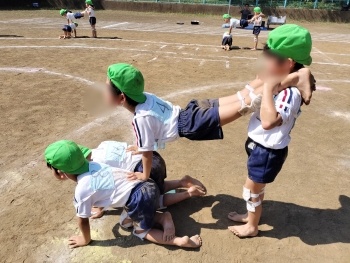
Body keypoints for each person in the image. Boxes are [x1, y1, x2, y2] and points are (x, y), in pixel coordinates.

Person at [103, 63, 314, 184]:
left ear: (122, 98)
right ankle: (275, 77)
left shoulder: (140, 118)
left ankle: (292, 78)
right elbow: (146, 144)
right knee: (241, 97)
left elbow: (148, 152)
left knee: (245, 106)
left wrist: (145, 174)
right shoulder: (145, 97)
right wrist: (139, 148)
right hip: (190, 110)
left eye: (107, 90)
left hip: (190, 124)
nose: (104, 93)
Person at [227, 24, 315, 238]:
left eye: (269, 58)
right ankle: (251, 216)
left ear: (288, 63)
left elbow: (268, 121)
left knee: (251, 190)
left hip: (267, 151)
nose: (264, 63)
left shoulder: (289, 94)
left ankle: (252, 226)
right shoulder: (283, 84)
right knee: (255, 187)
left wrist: (268, 88)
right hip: (259, 146)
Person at [45, 140, 203, 248]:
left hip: (137, 198)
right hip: (146, 183)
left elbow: (83, 220)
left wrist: (85, 239)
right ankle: (176, 202)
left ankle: (178, 240)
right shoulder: (97, 163)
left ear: (60, 173)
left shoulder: (82, 190)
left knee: (135, 229)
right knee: (150, 202)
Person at [69, 140, 207, 219]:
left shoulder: (96, 163)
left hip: (144, 168)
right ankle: (182, 182)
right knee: (158, 187)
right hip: (152, 158)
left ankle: (188, 192)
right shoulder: (103, 144)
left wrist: (100, 208)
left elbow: (104, 182)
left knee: (155, 198)